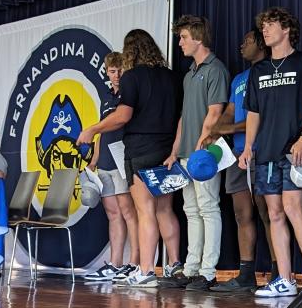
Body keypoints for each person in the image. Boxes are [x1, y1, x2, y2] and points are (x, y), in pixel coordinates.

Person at [77, 29, 181, 287]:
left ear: (130, 52)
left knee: (145, 211)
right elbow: (182, 117)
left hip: (141, 149)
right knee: (165, 209)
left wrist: (93, 129)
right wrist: (175, 149)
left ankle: (146, 270)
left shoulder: (132, 77)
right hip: (167, 149)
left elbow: (123, 116)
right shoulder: (172, 78)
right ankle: (174, 265)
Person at [238, 7, 302, 297]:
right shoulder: (258, 71)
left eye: (271, 24)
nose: (265, 29)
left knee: (292, 207)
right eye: (263, 25)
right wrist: (248, 146)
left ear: (287, 29)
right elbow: (253, 112)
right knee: (274, 214)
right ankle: (284, 279)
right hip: (266, 152)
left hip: (293, 149)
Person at [160, 15, 229, 290]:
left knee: (209, 207)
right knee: (191, 209)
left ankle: (208, 271)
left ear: (198, 38)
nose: (180, 43)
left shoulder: (215, 69)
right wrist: (175, 150)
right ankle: (190, 268)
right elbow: (183, 117)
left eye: (184, 37)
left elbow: (215, 111)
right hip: (187, 151)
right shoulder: (189, 74)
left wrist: (202, 143)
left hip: (205, 153)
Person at [210, 28, 277, 293]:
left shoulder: (269, 72)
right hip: (237, 154)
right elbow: (228, 112)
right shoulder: (239, 78)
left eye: (247, 41)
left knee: (268, 213)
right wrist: (218, 128)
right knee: (241, 214)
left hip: (261, 150)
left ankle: (276, 271)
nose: (241, 46)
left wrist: (227, 129)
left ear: (261, 43)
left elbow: (261, 116)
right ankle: (246, 272)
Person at [83, 52, 141, 284]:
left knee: (129, 212)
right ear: (107, 72)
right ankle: (115, 263)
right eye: (112, 71)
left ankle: (135, 262)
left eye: (120, 70)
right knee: (113, 213)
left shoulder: (130, 93)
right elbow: (99, 132)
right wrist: (95, 159)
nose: (117, 76)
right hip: (105, 159)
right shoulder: (106, 97)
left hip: (122, 157)